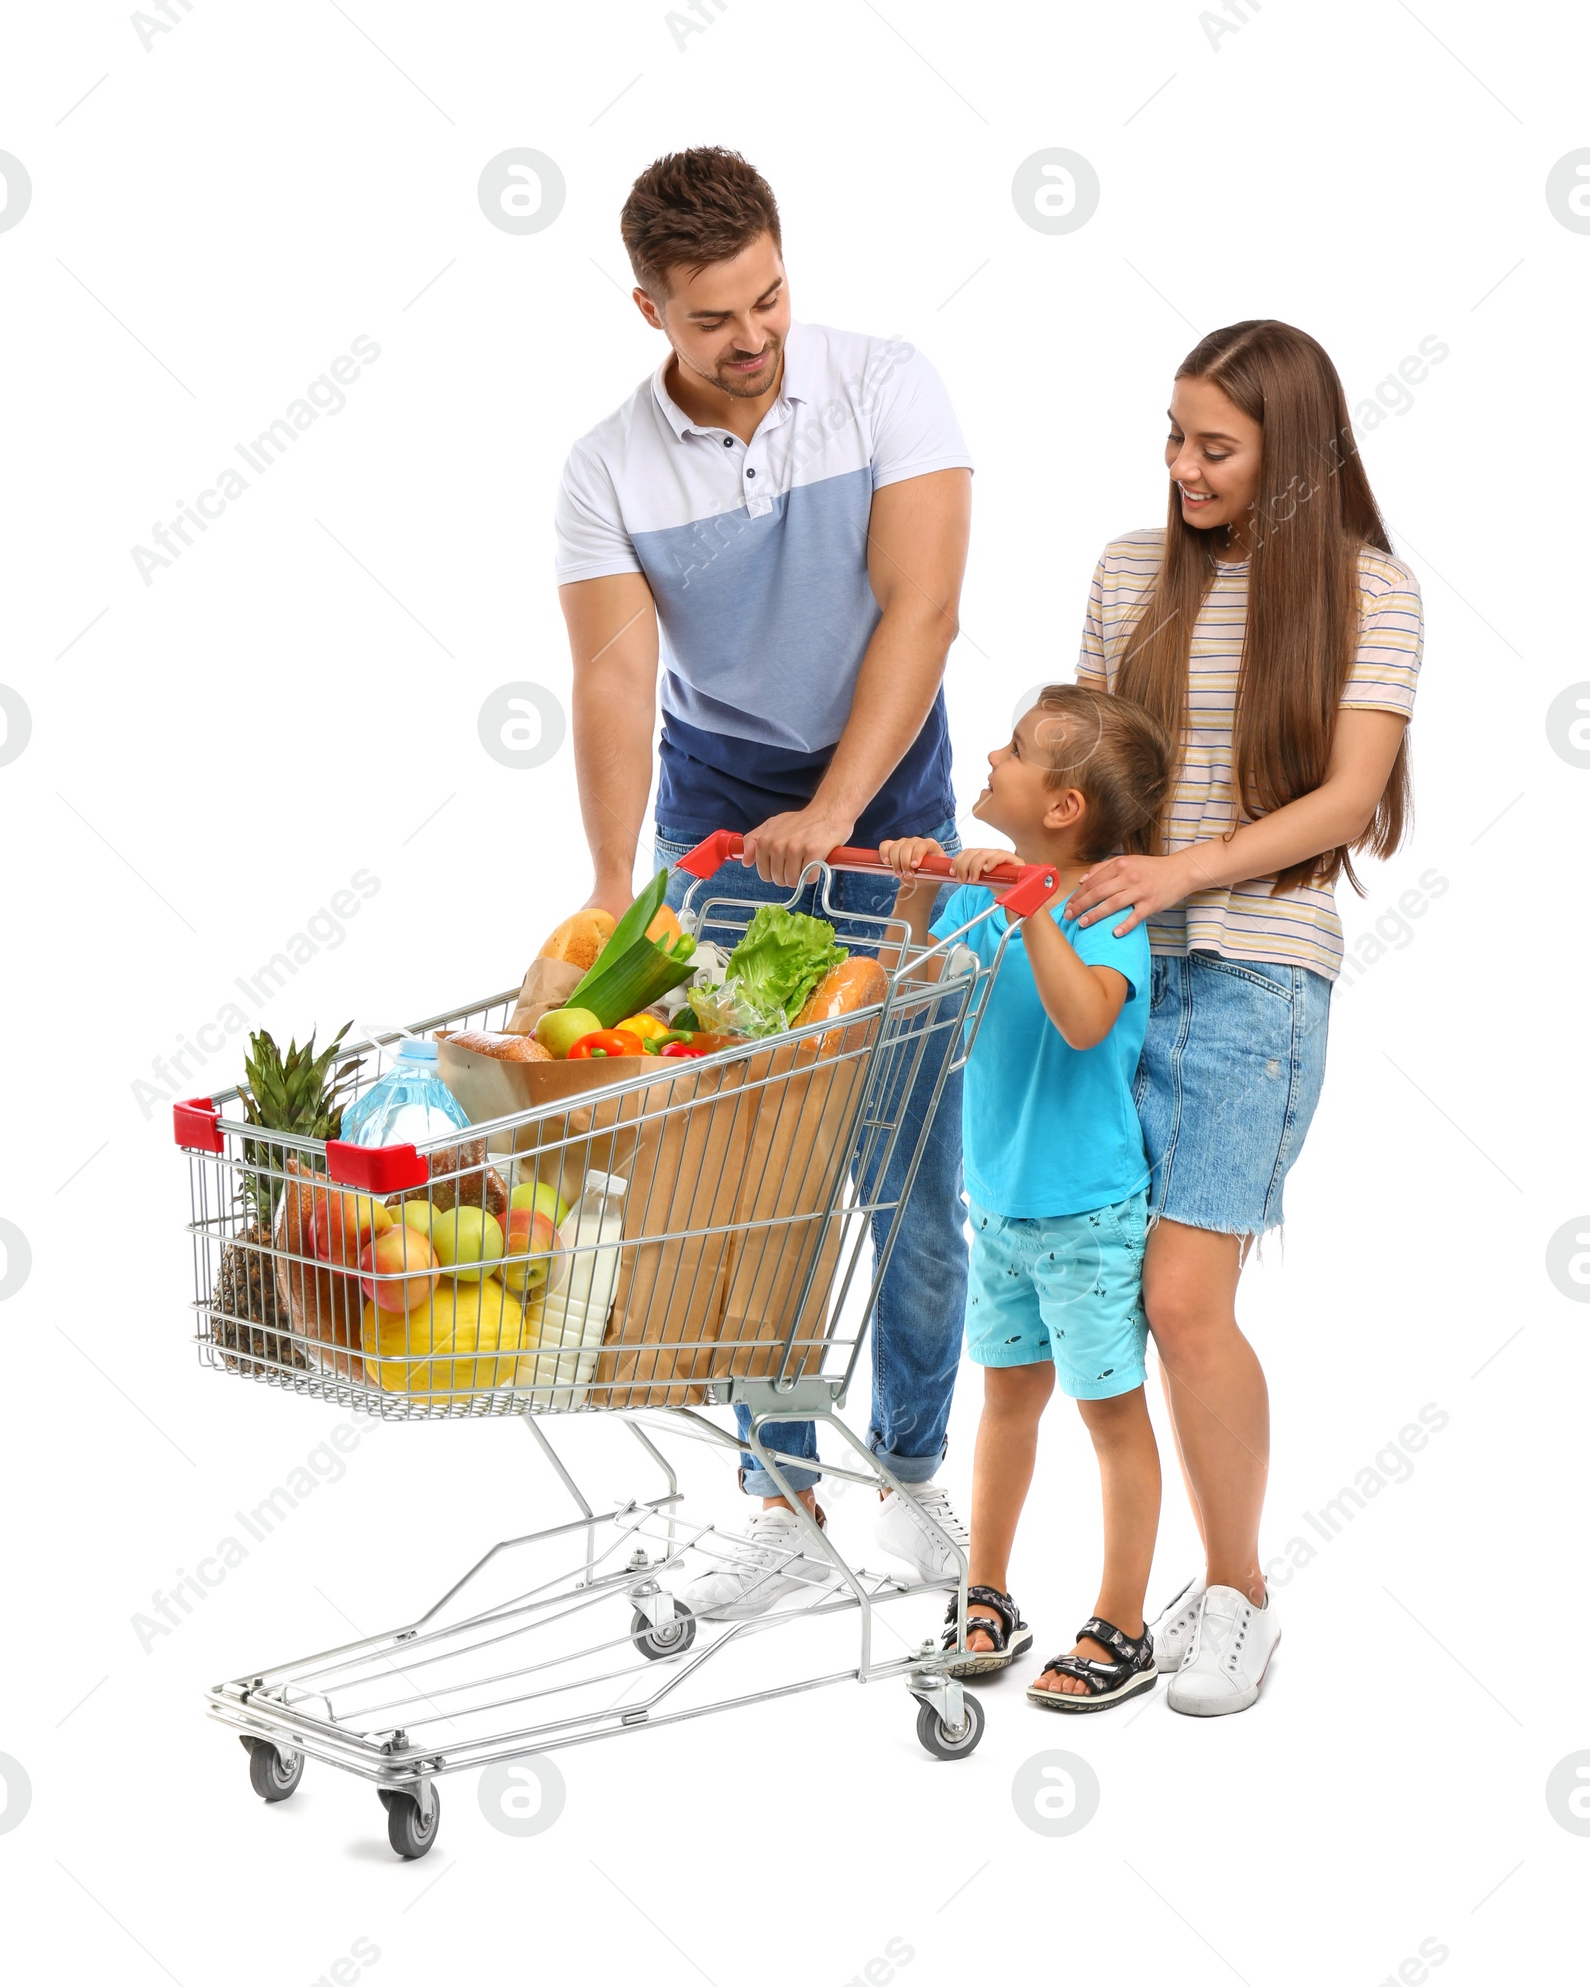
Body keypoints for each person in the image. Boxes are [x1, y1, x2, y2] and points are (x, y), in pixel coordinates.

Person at [554, 147, 975, 1612]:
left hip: (890, 798)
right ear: (651, 311)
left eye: (771, 296)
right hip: (725, 818)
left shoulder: (885, 385)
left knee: (910, 1175)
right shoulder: (606, 468)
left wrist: (841, 805)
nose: (754, 337)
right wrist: (613, 884)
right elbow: (612, 679)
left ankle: (913, 1470)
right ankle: (782, 1497)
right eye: (717, 316)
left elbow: (923, 612)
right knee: (753, 1168)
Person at [1062, 319, 1424, 1714]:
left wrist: (1191, 868)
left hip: (1260, 969)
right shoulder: (1124, 576)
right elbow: (1080, 770)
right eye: (1173, 436)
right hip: (1114, 967)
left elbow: (1343, 801)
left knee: (1180, 1296)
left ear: (1295, 457)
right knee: (1100, 1293)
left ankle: (1236, 1593)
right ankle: (1127, 1591)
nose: (1182, 466)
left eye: (1216, 445)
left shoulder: (1369, 592)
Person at [881, 684, 1175, 1709]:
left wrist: (1034, 905)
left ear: (1062, 809)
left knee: (1108, 1414)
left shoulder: (1103, 912)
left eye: (1012, 752)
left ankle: (1122, 1623)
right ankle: (987, 1594)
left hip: (1088, 1218)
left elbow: (1086, 1019)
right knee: (1005, 1402)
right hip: (997, 1206)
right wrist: (919, 897)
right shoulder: (980, 897)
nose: (991, 762)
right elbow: (900, 990)